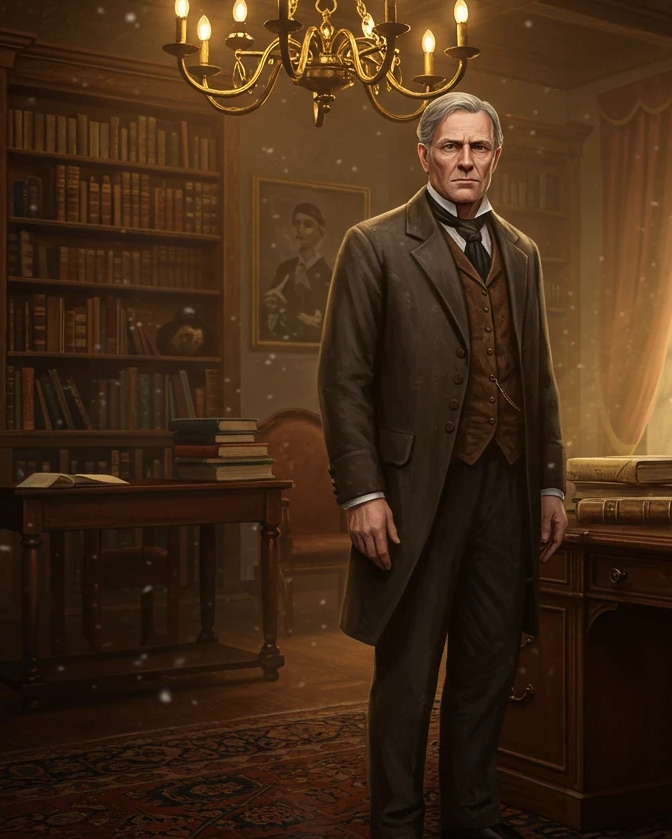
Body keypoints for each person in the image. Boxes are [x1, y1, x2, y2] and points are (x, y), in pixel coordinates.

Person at [318, 92, 568, 839]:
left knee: (489, 667)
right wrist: (362, 491)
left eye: (479, 149)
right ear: (423, 154)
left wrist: (552, 481)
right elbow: (344, 379)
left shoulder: (521, 253)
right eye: (452, 147)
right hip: (413, 493)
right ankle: (397, 824)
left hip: (507, 489)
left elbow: (539, 379)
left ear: (497, 157)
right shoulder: (374, 245)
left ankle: (474, 819)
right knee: (408, 673)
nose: (466, 161)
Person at [263, 201, 333, 342]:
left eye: (307, 225)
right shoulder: (285, 268)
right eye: (297, 224)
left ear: (320, 230)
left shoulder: (328, 274)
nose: (300, 230)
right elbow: (269, 309)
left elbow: (325, 320)